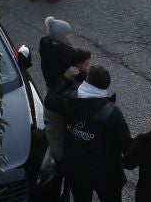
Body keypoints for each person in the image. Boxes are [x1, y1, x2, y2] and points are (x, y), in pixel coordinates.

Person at [52, 63, 131, 202]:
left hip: (76, 169)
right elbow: (126, 144)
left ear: (87, 80)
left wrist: (65, 79)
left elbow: (50, 100)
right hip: (106, 173)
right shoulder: (112, 112)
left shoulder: (68, 99)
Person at [39, 19, 89, 169]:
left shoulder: (45, 44)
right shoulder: (65, 53)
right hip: (59, 92)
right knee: (56, 128)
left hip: (51, 87)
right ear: (61, 37)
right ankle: (60, 161)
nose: (69, 37)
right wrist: (69, 77)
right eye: (67, 35)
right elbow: (75, 74)